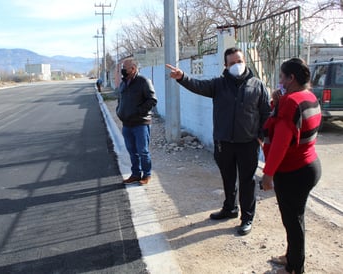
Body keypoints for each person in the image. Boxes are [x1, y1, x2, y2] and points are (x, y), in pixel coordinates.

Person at [166, 47, 271, 235]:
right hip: (224, 142)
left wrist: (261, 136)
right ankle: (229, 209)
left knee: (247, 182)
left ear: (244, 61)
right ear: (225, 65)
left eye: (239, 61)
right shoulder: (219, 84)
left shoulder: (257, 85)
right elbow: (198, 86)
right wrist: (182, 77)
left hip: (248, 143)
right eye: (232, 63)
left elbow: (265, 113)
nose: (236, 65)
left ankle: (247, 217)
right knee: (228, 178)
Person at [261, 58, 322, 274]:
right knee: (296, 217)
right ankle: (291, 257)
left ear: (291, 78)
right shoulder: (309, 96)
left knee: (292, 221)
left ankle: (295, 268)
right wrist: (277, 104)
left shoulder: (291, 102)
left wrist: (268, 174)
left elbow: (280, 143)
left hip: (293, 171)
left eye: (281, 77)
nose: (279, 81)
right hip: (310, 165)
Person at [116, 58, 157, 185]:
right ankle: (135, 174)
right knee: (131, 151)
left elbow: (152, 100)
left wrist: (138, 112)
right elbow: (120, 99)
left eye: (124, 68)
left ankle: (147, 175)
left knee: (143, 151)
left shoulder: (143, 81)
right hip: (127, 124)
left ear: (133, 69)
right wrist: (119, 111)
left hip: (140, 124)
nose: (122, 70)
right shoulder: (123, 83)